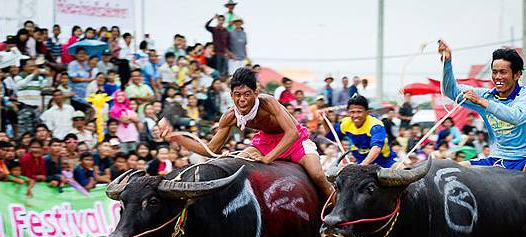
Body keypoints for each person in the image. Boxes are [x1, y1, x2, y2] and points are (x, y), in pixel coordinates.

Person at [438, 39, 526, 237]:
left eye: (503, 72)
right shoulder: (488, 95)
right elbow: (450, 91)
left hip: (524, 158)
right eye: (495, 72)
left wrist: (482, 102)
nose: (498, 77)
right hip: (495, 158)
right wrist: (447, 62)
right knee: (450, 169)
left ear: (517, 75)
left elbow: (515, 116)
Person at [158, 67, 333, 197]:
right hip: (264, 142)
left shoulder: (268, 102)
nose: (242, 100)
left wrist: (268, 158)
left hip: (294, 142)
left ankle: (338, 215)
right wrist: (177, 138)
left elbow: (292, 133)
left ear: (256, 93)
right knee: (236, 165)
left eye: (247, 94)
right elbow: (211, 149)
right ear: (232, 94)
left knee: (317, 174)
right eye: (237, 94)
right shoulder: (229, 116)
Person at [333, 95, 396, 167]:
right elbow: (332, 136)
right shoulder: (345, 123)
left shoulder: (375, 125)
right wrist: (324, 120)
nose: (355, 115)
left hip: (384, 162)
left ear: (367, 112)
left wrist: (363, 166)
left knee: (400, 168)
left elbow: (377, 148)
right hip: (360, 161)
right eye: (352, 112)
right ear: (348, 113)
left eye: (359, 112)